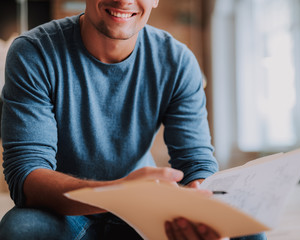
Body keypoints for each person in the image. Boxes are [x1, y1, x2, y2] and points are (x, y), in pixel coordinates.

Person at [0, 0, 266, 239]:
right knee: (20, 231)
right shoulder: (33, 51)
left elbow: (195, 162)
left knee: (248, 230)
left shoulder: (177, 61)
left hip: (146, 208)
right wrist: (120, 194)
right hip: (65, 209)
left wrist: (200, 199)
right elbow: (27, 176)